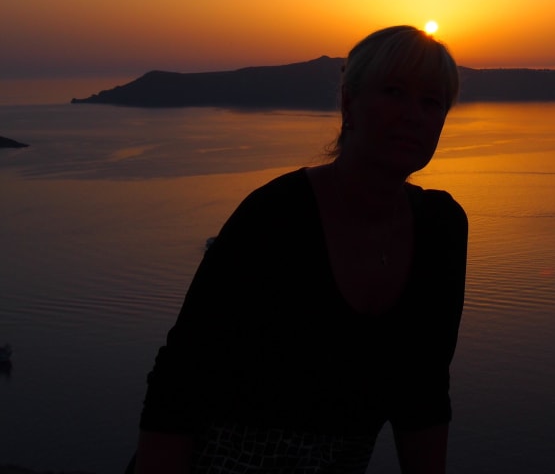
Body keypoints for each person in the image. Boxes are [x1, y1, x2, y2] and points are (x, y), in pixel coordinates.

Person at [132, 25, 468, 474]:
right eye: (394, 92)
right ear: (349, 102)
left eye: (431, 101)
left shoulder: (441, 228)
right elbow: (180, 380)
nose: (414, 115)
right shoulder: (274, 216)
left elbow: (423, 392)